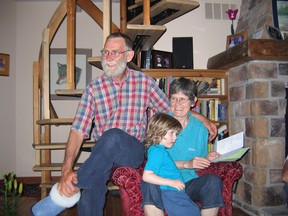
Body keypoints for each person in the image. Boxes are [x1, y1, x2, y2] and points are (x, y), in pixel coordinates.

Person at [31, 33, 217, 216]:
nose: (108, 57)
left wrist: (203, 119)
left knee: (113, 135)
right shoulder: (93, 89)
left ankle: (64, 193)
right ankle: (77, 187)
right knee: (93, 184)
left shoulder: (144, 82)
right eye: (105, 52)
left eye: (114, 52)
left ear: (129, 56)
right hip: (103, 153)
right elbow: (78, 130)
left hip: (133, 151)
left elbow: (172, 108)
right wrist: (66, 170)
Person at [142, 77, 224, 216]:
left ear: (193, 102)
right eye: (174, 98)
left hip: (187, 183)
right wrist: (186, 164)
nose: (177, 104)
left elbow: (196, 164)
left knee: (213, 181)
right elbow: (152, 160)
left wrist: (207, 159)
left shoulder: (201, 130)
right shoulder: (160, 124)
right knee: (149, 185)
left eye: (183, 99)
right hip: (163, 184)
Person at [143, 113, 201, 216]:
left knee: (193, 210)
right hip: (170, 192)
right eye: (172, 133)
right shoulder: (157, 151)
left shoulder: (160, 150)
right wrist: (171, 182)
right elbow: (147, 176)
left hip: (174, 192)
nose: (175, 138)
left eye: (176, 134)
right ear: (159, 132)